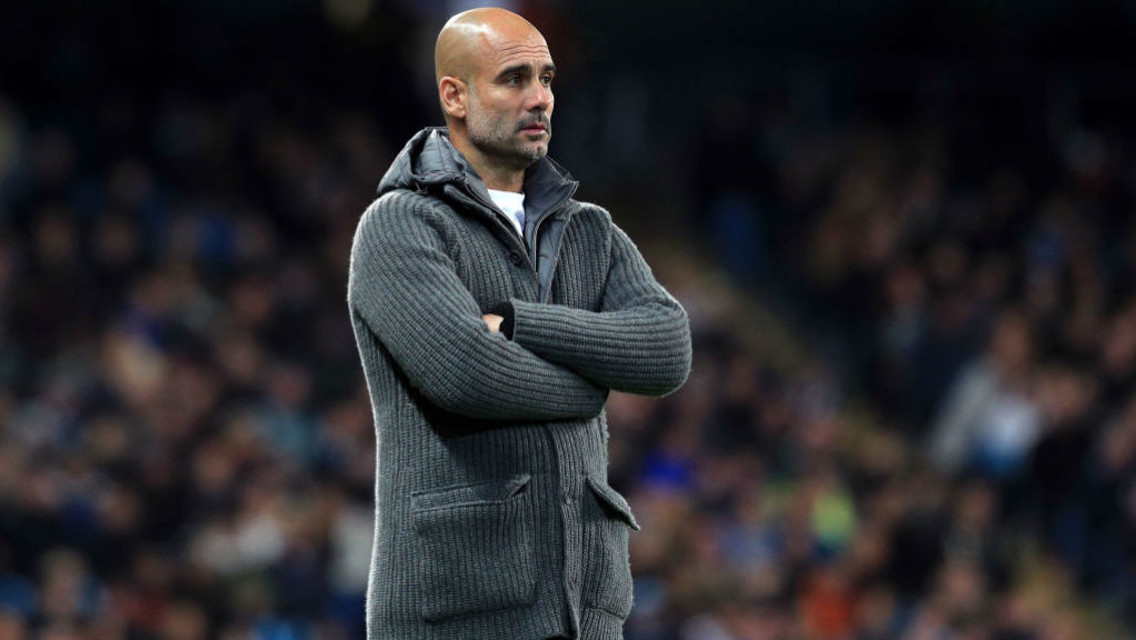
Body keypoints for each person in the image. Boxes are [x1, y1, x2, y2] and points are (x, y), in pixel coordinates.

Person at [347, 7, 692, 639]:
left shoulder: (591, 229)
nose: (540, 98)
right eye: (513, 78)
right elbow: (466, 374)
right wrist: (591, 387)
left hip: (585, 611)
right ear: (455, 94)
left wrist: (520, 324)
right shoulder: (400, 224)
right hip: (455, 611)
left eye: (548, 78)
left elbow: (667, 350)